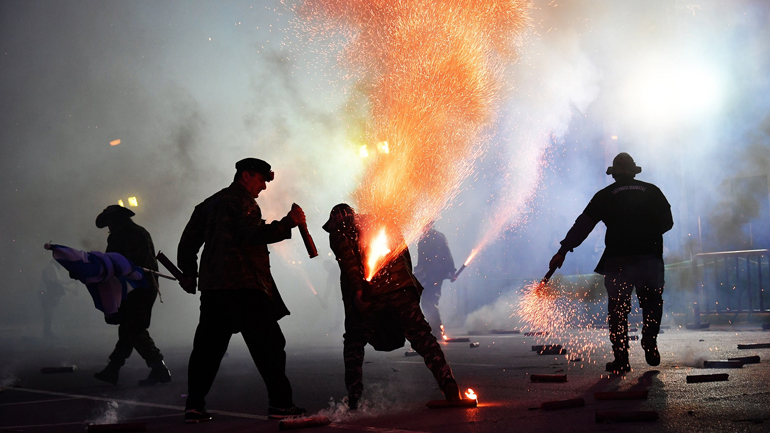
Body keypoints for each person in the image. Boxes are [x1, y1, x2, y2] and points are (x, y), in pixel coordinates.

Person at [177, 158, 307, 423]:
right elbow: (251, 235)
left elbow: (188, 242)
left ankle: (194, 407)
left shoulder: (209, 203)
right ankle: (281, 405)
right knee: (270, 347)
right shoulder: (243, 202)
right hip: (246, 288)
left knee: (206, 351)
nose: (263, 187)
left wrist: (189, 273)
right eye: (261, 180)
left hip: (214, 290)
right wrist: (287, 223)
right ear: (246, 176)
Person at [323, 204, 461, 410]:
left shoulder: (340, 230)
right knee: (422, 337)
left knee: (354, 341)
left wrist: (359, 291)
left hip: (372, 294)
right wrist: (409, 289)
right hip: (402, 289)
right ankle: (449, 384)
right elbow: (404, 256)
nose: (331, 227)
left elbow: (349, 263)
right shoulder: (381, 222)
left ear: (339, 217)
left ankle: (353, 396)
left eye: (332, 223)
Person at [548, 153, 673, 374]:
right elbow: (668, 223)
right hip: (649, 258)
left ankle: (621, 359)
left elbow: (583, 226)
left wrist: (563, 251)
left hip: (618, 260)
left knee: (618, 309)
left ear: (614, 175)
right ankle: (649, 341)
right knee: (652, 303)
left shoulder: (605, 195)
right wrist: (645, 235)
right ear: (634, 172)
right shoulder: (652, 191)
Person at [93, 205, 171, 386]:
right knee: (128, 329)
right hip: (134, 287)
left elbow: (120, 263)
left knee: (134, 329)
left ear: (117, 220)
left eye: (110, 223)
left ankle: (159, 368)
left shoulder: (131, 235)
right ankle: (113, 369)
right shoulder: (135, 233)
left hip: (139, 286)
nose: (109, 228)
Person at [414, 221, 456, 338]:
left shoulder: (433, 238)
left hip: (434, 276)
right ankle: (435, 329)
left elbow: (446, 255)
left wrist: (451, 271)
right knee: (429, 301)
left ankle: (437, 329)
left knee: (428, 301)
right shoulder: (428, 238)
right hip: (430, 276)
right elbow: (422, 261)